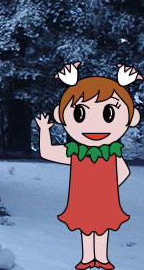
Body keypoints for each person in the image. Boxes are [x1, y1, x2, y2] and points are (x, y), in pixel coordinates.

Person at [36, 62, 141, 269]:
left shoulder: (110, 153)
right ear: (63, 116)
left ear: (129, 118)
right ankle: (87, 257)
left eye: (108, 114)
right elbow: (47, 152)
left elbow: (124, 171)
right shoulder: (76, 153)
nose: (94, 126)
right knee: (86, 227)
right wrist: (44, 130)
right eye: (80, 114)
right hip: (83, 199)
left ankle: (101, 257)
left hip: (103, 199)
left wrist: (108, 188)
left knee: (102, 228)